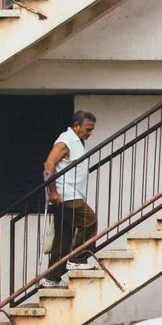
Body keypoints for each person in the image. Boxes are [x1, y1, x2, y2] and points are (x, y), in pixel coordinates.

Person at [43, 110, 99, 281]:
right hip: (66, 194)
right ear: (76, 126)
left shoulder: (76, 141)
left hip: (68, 195)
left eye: (91, 130)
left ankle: (51, 278)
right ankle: (78, 259)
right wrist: (52, 191)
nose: (89, 134)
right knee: (89, 220)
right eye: (87, 130)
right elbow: (49, 164)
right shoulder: (67, 139)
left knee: (63, 237)